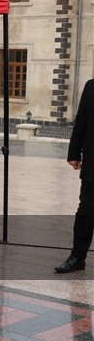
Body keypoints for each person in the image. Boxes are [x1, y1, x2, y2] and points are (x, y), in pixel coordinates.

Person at [58, 78, 94, 273]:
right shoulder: (91, 86)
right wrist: (74, 153)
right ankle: (77, 257)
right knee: (86, 212)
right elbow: (82, 121)